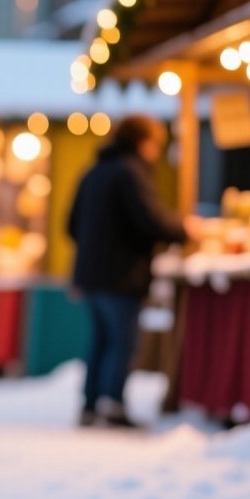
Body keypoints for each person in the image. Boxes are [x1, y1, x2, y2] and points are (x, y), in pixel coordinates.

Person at [68, 115, 190, 428]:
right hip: (121, 274)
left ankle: (90, 404)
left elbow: (69, 225)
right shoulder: (130, 173)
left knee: (99, 340)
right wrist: (184, 229)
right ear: (143, 142)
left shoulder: (93, 172)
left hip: (91, 274)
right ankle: (113, 405)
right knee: (122, 342)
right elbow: (150, 220)